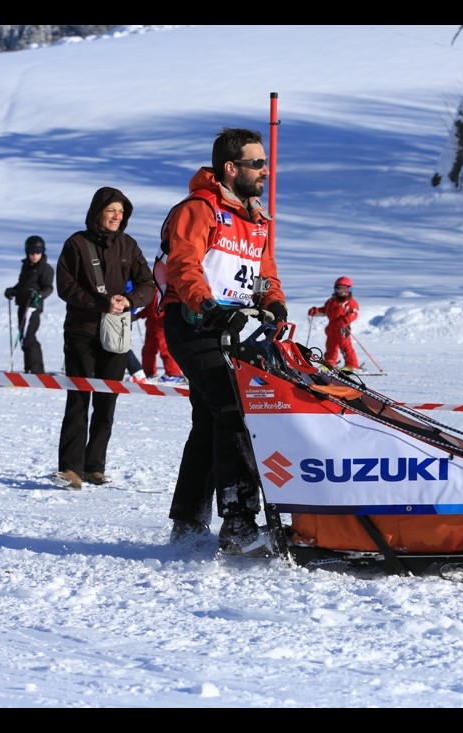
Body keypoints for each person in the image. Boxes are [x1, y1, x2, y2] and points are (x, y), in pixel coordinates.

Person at [157, 127, 288, 554]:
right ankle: (239, 522)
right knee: (234, 410)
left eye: (265, 163)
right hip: (196, 322)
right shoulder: (198, 209)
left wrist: (275, 303)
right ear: (231, 168)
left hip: (238, 327)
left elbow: (265, 274)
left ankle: (188, 521)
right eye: (256, 164)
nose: (265, 171)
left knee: (209, 420)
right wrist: (207, 305)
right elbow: (184, 264)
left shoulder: (257, 219)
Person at [52, 187, 154, 491]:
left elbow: (148, 285)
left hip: (117, 334)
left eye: (122, 212)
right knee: (79, 399)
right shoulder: (76, 244)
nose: (117, 216)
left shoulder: (128, 245)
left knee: (107, 403)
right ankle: (71, 469)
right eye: (112, 210)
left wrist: (129, 300)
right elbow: (65, 287)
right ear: (98, 211)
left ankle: (95, 467)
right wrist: (100, 303)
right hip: (81, 333)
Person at [5, 236, 54, 374]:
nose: (34, 255)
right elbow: (22, 285)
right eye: (31, 252)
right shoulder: (26, 266)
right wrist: (13, 291)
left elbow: (48, 288)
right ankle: (29, 368)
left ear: (42, 252)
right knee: (23, 337)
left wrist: (38, 295)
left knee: (29, 337)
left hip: (33, 306)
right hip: (22, 304)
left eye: (37, 252)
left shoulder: (46, 268)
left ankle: (37, 370)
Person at [307, 276, 360, 372]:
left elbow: (354, 313)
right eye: (339, 288)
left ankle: (352, 365)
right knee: (330, 346)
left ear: (349, 289)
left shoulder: (350, 303)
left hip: (343, 328)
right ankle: (329, 363)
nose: (341, 291)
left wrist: (344, 320)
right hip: (331, 328)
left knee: (345, 347)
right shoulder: (331, 301)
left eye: (345, 289)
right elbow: (325, 310)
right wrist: (316, 311)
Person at [133, 287, 184, 382]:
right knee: (148, 348)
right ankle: (149, 371)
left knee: (165, 348)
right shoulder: (152, 290)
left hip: (162, 323)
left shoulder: (164, 289)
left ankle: (174, 372)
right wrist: (137, 315)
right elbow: (148, 307)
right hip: (151, 323)